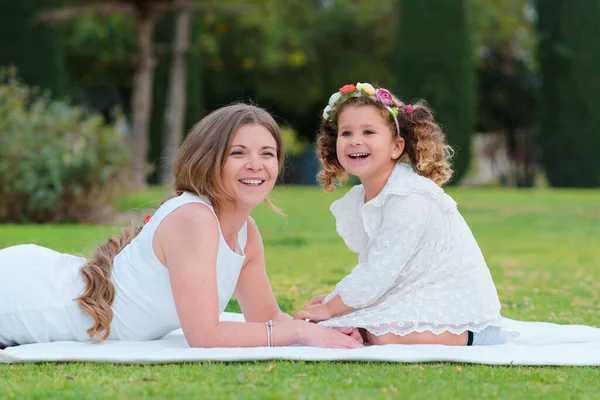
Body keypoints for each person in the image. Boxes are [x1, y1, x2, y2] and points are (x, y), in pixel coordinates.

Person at [0, 104, 362, 350]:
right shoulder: (194, 218)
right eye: (238, 153)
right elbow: (205, 335)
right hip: (28, 299)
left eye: (267, 154)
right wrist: (297, 331)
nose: (256, 165)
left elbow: (267, 318)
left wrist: (319, 329)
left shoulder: (246, 232)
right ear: (209, 161)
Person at [294, 83, 508, 346]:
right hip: (415, 293)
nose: (355, 141)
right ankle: (360, 328)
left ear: (396, 147)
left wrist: (331, 308)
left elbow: (378, 272)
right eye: (346, 133)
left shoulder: (409, 195)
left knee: (381, 334)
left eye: (368, 132)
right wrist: (337, 299)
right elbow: (375, 264)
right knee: (338, 320)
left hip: (461, 312)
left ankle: (366, 330)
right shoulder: (368, 195)